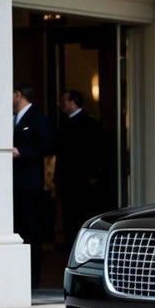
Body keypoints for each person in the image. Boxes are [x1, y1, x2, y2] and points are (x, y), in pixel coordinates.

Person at [12, 82, 54, 288]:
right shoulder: (12, 118)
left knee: (31, 230)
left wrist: (22, 152)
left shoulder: (37, 117)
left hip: (30, 184)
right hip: (13, 184)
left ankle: (33, 277)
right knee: (17, 229)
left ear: (18, 95)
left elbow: (47, 145)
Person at [55, 89, 107, 246]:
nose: (60, 104)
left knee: (80, 215)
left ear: (73, 103)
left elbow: (95, 152)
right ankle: (71, 245)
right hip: (67, 178)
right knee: (69, 216)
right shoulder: (65, 122)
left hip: (81, 179)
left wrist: (92, 175)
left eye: (64, 101)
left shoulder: (89, 123)